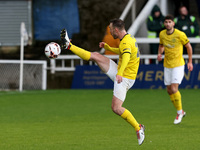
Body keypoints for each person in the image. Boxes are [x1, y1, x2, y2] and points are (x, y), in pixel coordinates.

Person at [60, 18, 145, 145]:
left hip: (125, 77)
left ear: (116, 30)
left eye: (111, 29)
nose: (110, 32)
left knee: (116, 108)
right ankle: (69, 46)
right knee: (96, 56)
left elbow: (126, 57)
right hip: (120, 71)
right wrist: (108, 47)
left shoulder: (126, 42)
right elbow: (123, 51)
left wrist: (120, 74)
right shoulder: (128, 39)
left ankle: (138, 128)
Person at [157, 15, 193, 124]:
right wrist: (159, 53)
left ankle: (179, 112)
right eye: (166, 22)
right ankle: (181, 110)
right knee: (169, 90)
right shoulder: (162, 34)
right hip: (167, 65)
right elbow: (161, 45)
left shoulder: (180, 34)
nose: (168, 24)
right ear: (164, 24)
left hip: (178, 64)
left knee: (174, 88)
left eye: (170, 22)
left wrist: (190, 62)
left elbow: (189, 47)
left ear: (173, 23)